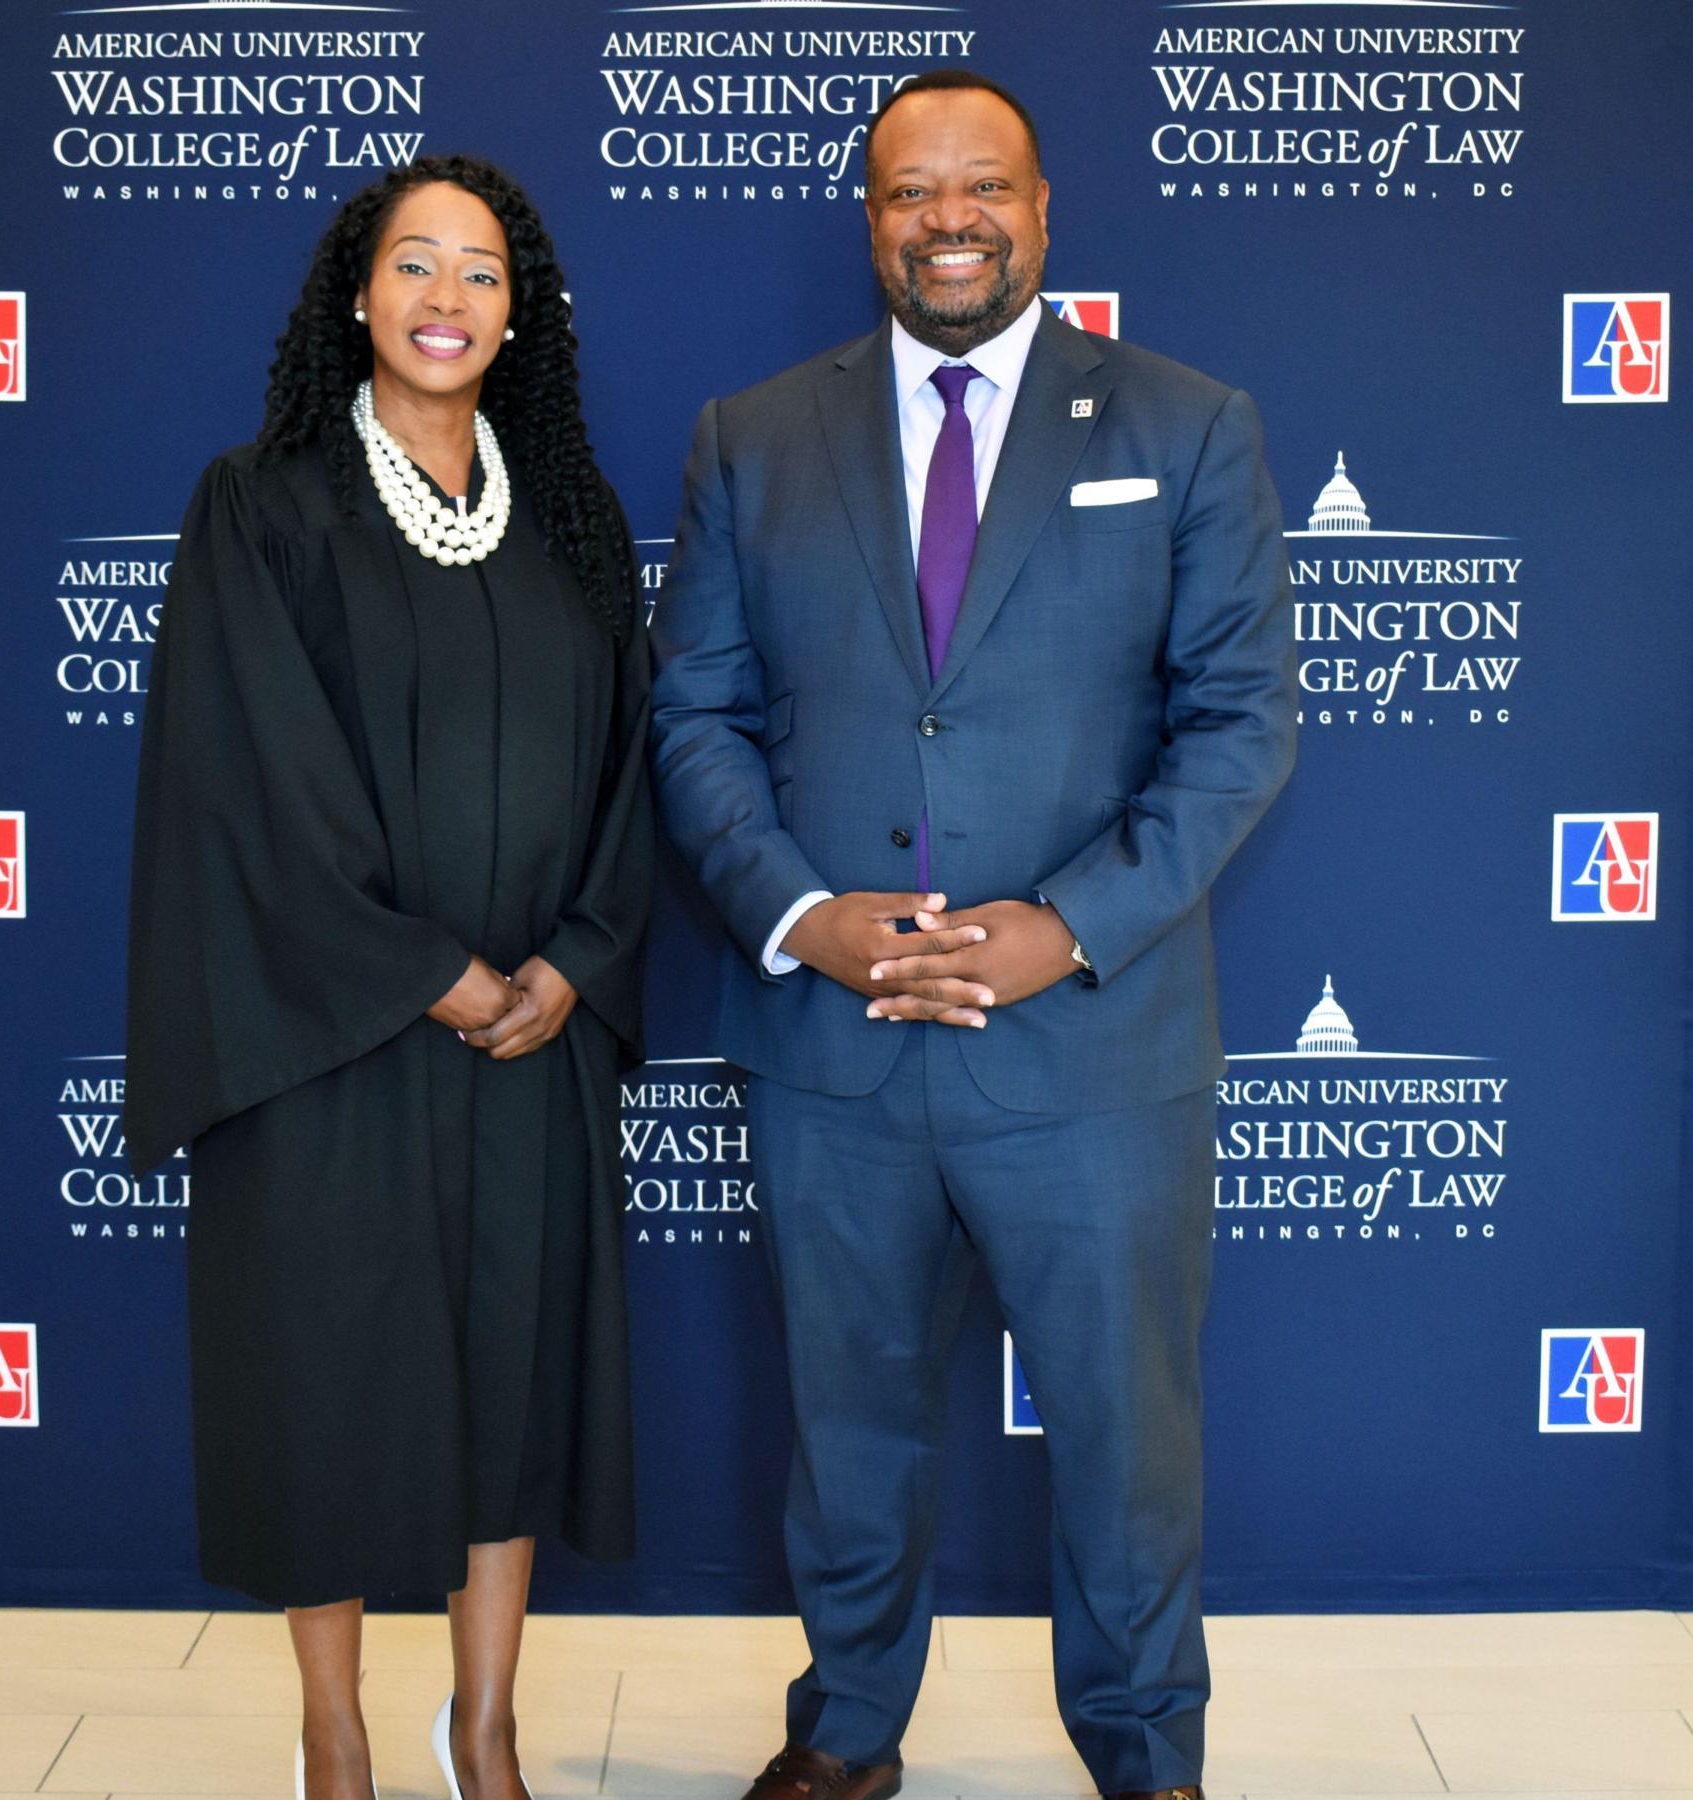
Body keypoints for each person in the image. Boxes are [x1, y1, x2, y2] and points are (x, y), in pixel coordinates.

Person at [650, 70, 1295, 1800]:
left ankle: (1147, 1751)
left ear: (1042, 206)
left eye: (982, 186)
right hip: (832, 1053)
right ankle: (849, 1735)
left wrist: (1061, 930)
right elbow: (695, 715)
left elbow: (1240, 726)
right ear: (870, 220)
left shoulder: (1186, 422)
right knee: (848, 1438)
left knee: (1126, 1447)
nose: (949, 221)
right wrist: (799, 914)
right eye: (910, 192)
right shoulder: (753, 435)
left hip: (1091, 1047)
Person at [124, 154, 653, 1800]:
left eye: (482, 272)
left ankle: (486, 1730)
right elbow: (248, 784)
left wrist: (571, 962)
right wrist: (428, 972)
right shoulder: (264, 503)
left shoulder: (569, 519)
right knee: (333, 1392)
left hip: (531, 1046)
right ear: (356, 295)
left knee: (512, 1379)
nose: (446, 298)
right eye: (413, 265)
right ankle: (337, 1737)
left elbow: (636, 770)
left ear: (521, 311)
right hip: (331, 1045)